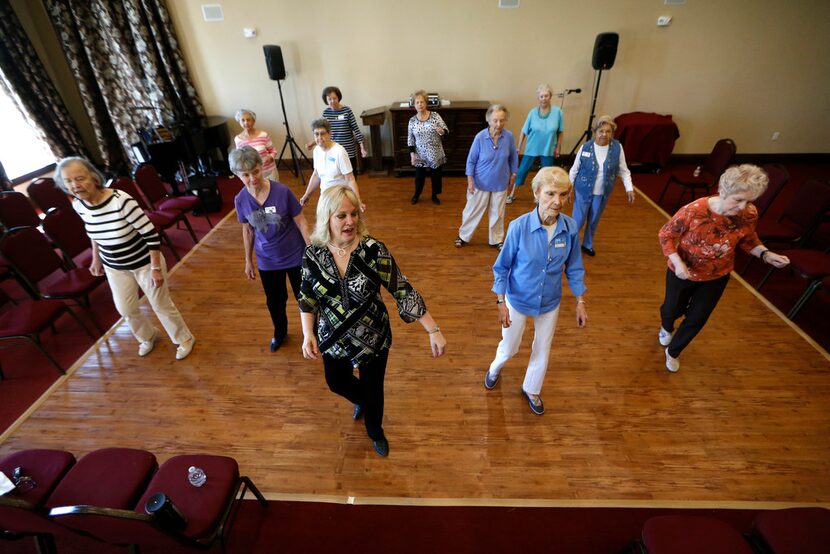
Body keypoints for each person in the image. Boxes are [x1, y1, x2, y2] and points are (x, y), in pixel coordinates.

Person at [298, 186, 446, 457]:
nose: (350, 221)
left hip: (373, 336)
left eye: (354, 214)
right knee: (336, 382)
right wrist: (308, 333)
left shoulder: (373, 250)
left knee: (373, 388)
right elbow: (307, 297)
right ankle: (365, 402)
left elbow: (402, 289)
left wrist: (432, 329)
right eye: (341, 215)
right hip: (331, 337)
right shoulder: (313, 255)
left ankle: (375, 430)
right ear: (326, 217)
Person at [55, 157, 195, 360]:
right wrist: (96, 259)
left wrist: (155, 268)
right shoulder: (79, 206)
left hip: (145, 263)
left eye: (80, 178)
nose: (75, 185)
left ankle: (184, 338)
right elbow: (93, 233)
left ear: (93, 177)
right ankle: (148, 336)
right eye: (68, 181)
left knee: (160, 304)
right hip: (115, 266)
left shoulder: (121, 200)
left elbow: (150, 234)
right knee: (126, 308)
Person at [658, 164, 790, 373]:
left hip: (717, 275)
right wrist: (679, 263)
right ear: (723, 190)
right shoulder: (694, 210)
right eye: (738, 200)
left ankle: (673, 351)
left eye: (749, 201)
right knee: (672, 309)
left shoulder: (748, 214)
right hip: (682, 271)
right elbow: (665, 235)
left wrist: (765, 254)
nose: (743, 206)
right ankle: (666, 326)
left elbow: (748, 240)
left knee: (698, 317)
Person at [484, 166, 587, 415]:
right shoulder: (518, 227)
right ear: (537, 193)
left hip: (550, 301)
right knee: (510, 347)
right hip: (517, 299)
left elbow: (574, 266)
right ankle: (495, 368)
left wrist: (580, 300)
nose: (557, 201)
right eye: (551, 194)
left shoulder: (570, 228)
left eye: (563, 195)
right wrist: (501, 303)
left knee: (543, 347)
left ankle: (531, 388)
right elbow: (502, 267)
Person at [231, 146, 310, 352]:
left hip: (295, 255)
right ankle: (280, 333)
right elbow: (247, 231)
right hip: (267, 260)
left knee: (305, 297)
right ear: (237, 175)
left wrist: (312, 252)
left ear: (261, 167)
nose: (252, 178)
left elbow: (301, 222)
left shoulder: (282, 192)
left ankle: (313, 332)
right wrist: (248, 261)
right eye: (245, 175)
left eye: (255, 171)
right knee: (275, 302)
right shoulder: (240, 200)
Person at [568, 115, 636, 257]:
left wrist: (629, 188)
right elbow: (574, 170)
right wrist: (568, 189)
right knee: (577, 221)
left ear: (612, 133)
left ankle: (587, 245)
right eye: (601, 131)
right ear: (595, 132)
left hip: (602, 193)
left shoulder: (617, 148)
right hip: (582, 190)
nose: (604, 134)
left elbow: (623, 170)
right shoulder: (586, 147)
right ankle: (569, 245)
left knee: (593, 221)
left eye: (608, 131)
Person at [456, 104, 518, 250]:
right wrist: (470, 181)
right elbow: (471, 160)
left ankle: (496, 240)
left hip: (500, 182)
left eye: (502, 120)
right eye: (495, 120)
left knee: (498, 213)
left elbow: (513, 158)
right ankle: (463, 236)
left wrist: (513, 174)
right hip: (480, 182)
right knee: (472, 211)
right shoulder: (480, 137)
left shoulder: (508, 137)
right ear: (489, 120)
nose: (499, 124)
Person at [507, 84, 564, 203]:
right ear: (538, 98)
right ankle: (512, 194)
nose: (544, 98)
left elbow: (560, 132)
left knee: (546, 175)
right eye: (541, 96)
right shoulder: (533, 113)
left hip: (548, 148)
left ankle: (541, 198)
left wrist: (558, 147)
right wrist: (519, 147)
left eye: (546, 96)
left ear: (550, 97)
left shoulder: (558, 112)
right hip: (532, 147)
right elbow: (523, 131)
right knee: (522, 170)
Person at [299, 119, 364, 211]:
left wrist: (358, 200)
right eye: (316, 134)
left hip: (340, 196)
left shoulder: (339, 152)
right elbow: (317, 175)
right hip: (325, 195)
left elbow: (350, 179)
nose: (319, 137)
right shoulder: (316, 151)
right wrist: (307, 195)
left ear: (329, 134)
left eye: (322, 133)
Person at [305, 86, 368, 173]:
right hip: (333, 150)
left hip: (348, 150)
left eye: (334, 98)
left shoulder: (347, 111)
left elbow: (356, 130)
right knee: (336, 175)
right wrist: (312, 143)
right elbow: (323, 133)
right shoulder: (326, 113)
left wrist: (362, 148)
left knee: (350, 175)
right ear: (326, 100)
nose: (332, 101)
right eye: (329, 99)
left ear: (338, 98)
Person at [407, 89, 448, 205]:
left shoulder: (435, 116)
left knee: (436, 176)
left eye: (422, 102)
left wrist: (442, 131)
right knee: (419, 177)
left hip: (435, 152)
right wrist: (412, 154)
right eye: (417, 102)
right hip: (420, 153)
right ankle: (417, 194)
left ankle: (434, 195)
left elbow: (446, 130)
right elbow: (410, 139)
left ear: (426, 103)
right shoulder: (412, 121)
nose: (420, 104)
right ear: (414, 105)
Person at [234, 109, 279, 181]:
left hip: (269, 171)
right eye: (242, 120)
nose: (246, 122)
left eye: (248, 120)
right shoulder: (238, 140)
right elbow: (241, 158)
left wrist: (271, 157)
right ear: (239, 122)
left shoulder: (263, 135)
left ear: (253, 121)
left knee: (275, 190)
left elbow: (273, 150)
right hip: (253, 175)